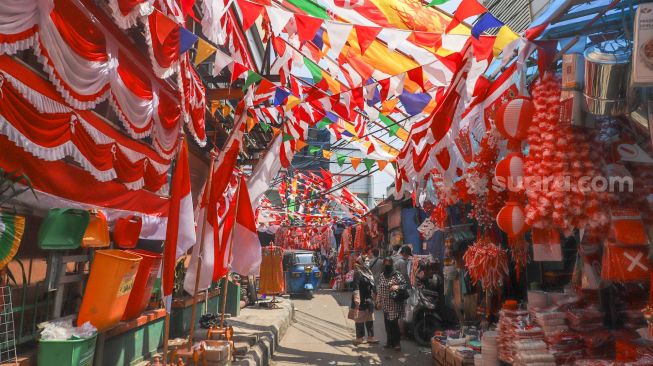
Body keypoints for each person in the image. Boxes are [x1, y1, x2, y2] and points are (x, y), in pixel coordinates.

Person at [377, 256, 407, 351]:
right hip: (385, 303)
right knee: (387, 324)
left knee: (393, 323)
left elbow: (404, 284)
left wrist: (397, 286)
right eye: (385, 264)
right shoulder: (382, 275)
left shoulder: (396, 274)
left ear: (392, 264)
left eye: (388, 264)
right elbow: (379, 290)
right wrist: (378, 301)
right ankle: (389, 342)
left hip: (394, 303)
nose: (387, 265)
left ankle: (397, 343)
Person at [349, 256, 378, 345]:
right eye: (366, 261)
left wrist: (376, 295)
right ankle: (360, 338)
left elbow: (373, 285)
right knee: (359, 319)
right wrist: (357, 299)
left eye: (368, 261)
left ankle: (371, 337)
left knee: (370, 319)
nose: (367, 262)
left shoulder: (368, 272)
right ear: (361, 262)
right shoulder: (358, 273)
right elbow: (356, 287)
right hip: (360, 299)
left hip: (368, 299)